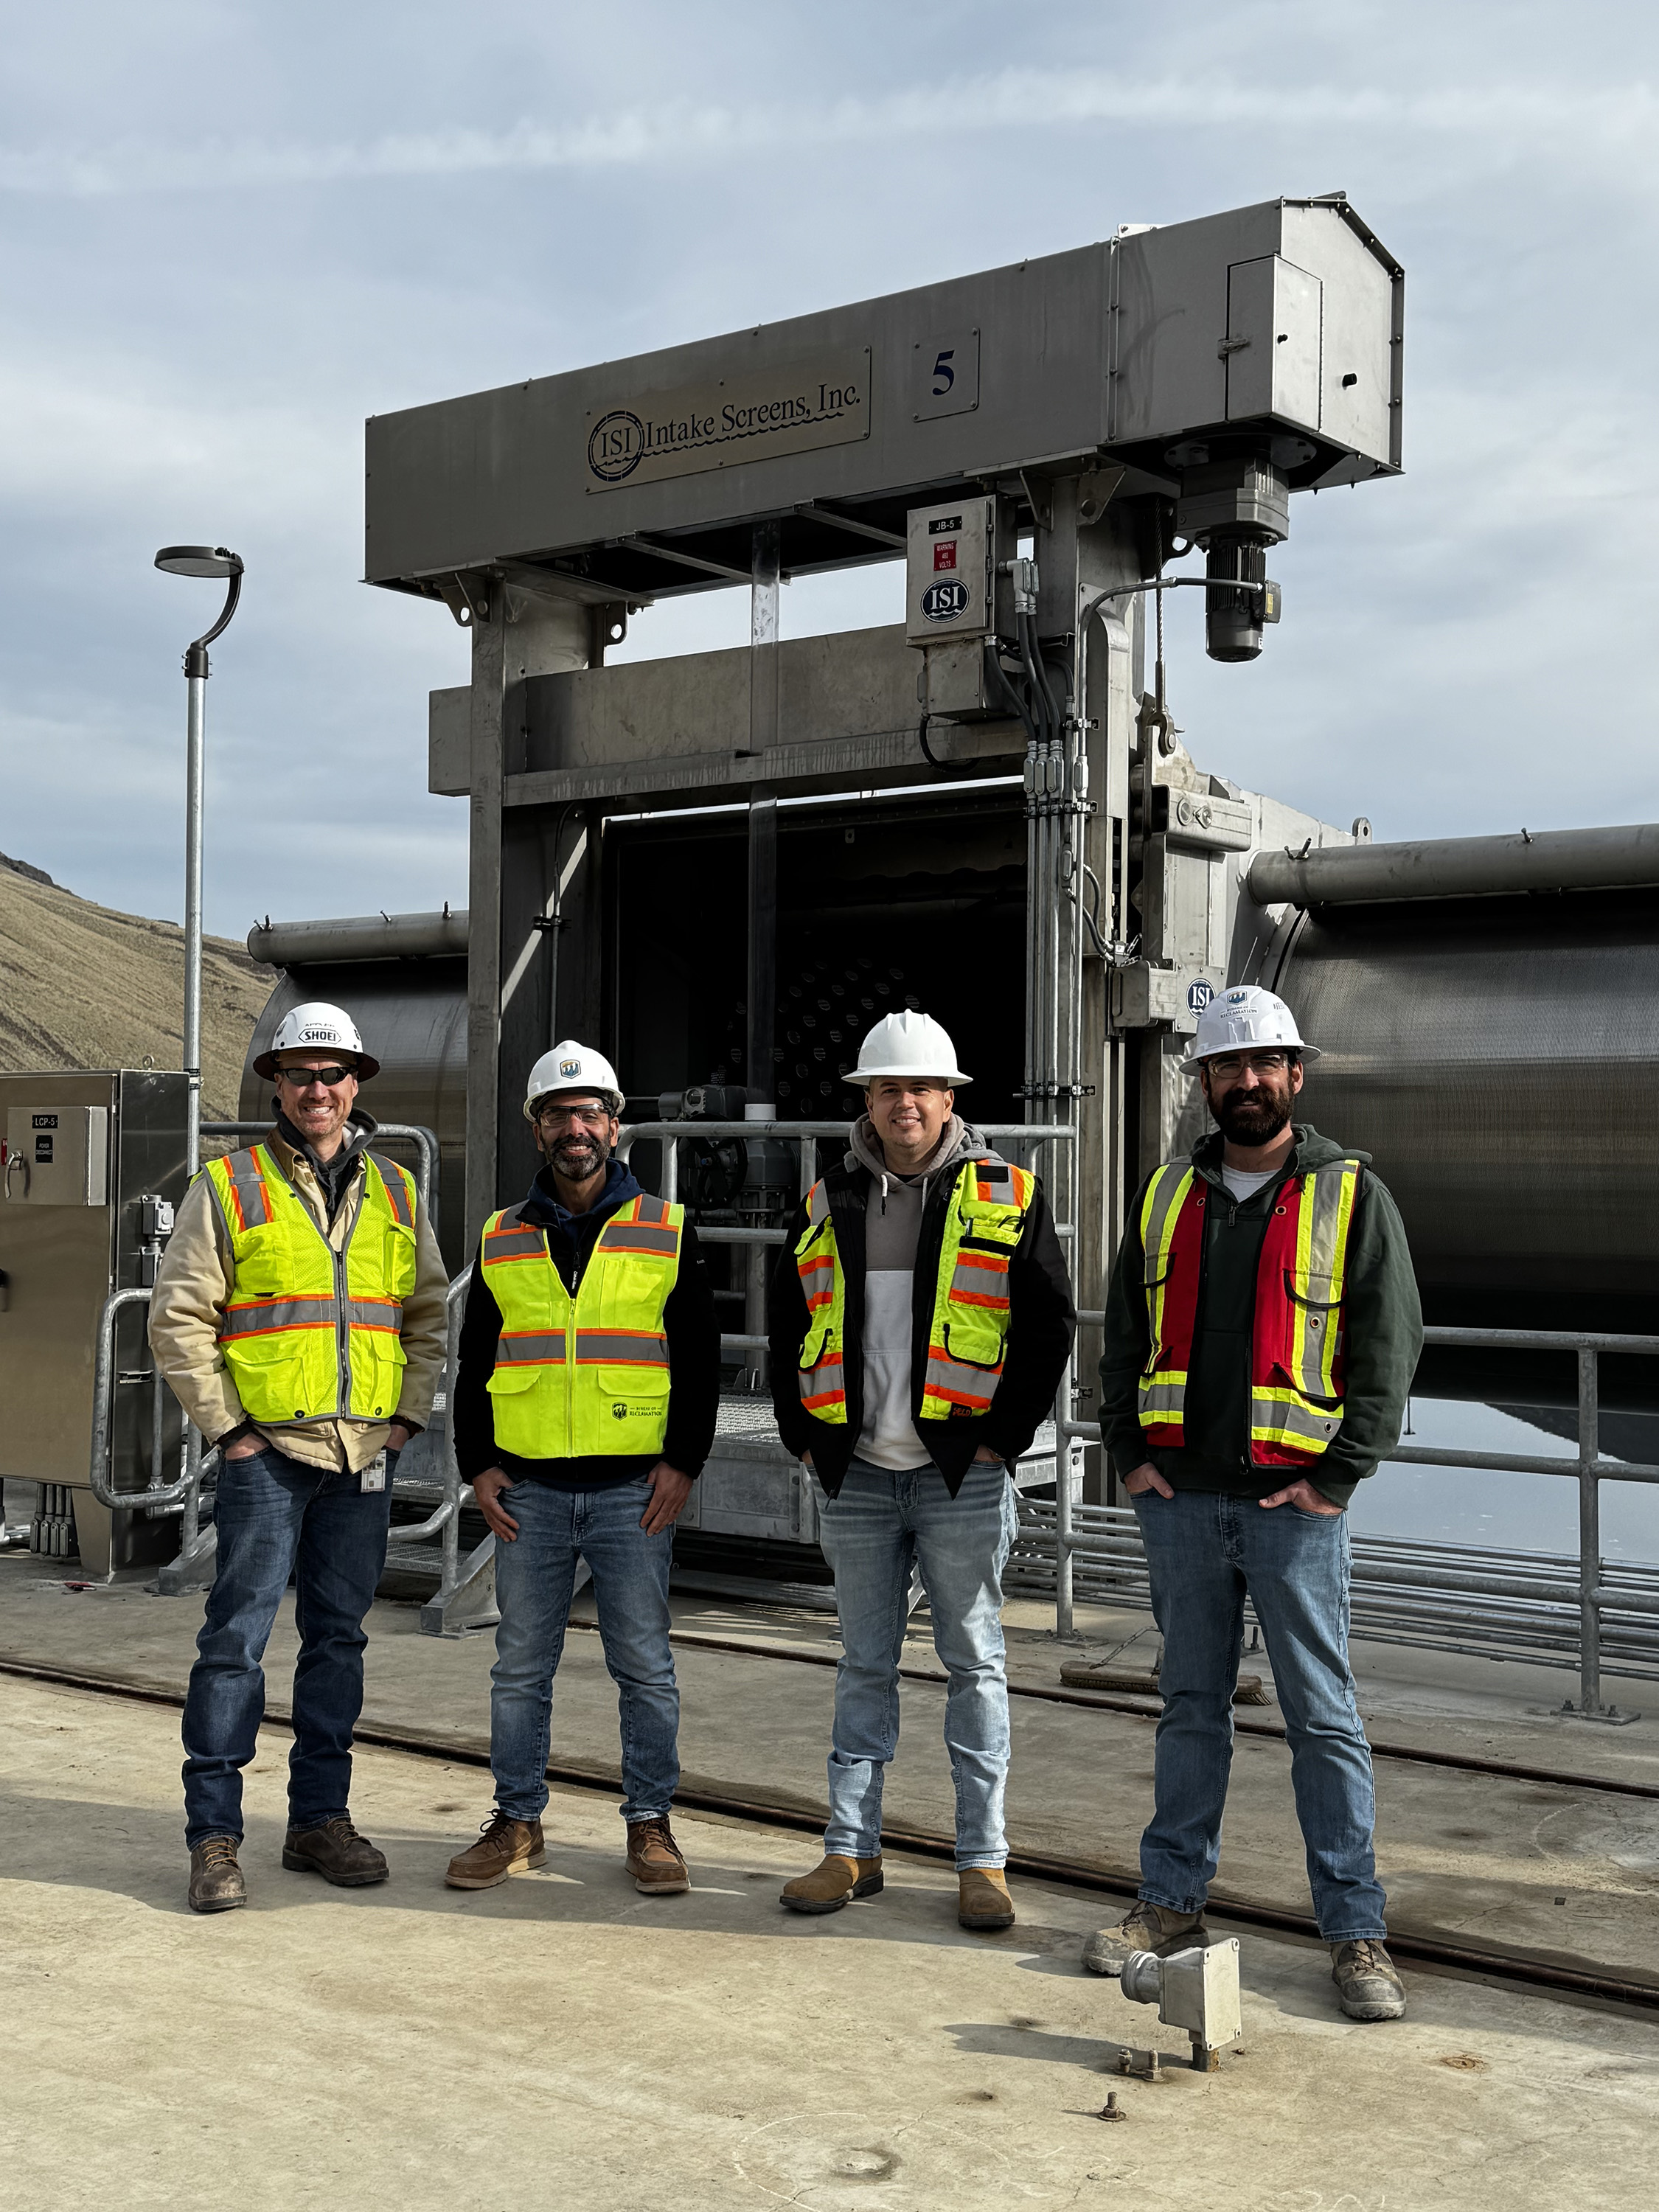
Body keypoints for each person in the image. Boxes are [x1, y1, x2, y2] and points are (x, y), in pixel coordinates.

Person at [1085, 984, 1422, 2021]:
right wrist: (1128, 1451)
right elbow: (1124, 1344)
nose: (1245, 1082)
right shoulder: (1163, 1196)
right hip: (1180, 1502)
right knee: (1189, 1708)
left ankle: (1354, 1932)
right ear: (1202, 1083)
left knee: (1323, 1719)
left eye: (1263, 1064)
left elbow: (1387, 1342)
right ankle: (1169, 1901)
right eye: (1226, 1067)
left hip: (1291, 1512)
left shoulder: (1349, 1193)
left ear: (1294, 1076)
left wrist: (1337, 1475)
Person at [768, 1010, 1075, 1930]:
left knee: (975, 1663)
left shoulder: (1008, 1192)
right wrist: (804, 1435)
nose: (906, 1103)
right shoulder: (827, 1200)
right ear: (868, 1098)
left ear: (950, 1100)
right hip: (858, 1473)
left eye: (923, 1088)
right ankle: (850, 1851)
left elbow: (1050, 1324)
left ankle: (983, 1861)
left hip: (959, 1476)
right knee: (863, 1665)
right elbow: (790, 1329)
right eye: (889, 1088)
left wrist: (1002, 1437)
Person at [150, 1001, 449, 1913]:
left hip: (362, 1455)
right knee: (235, 1644)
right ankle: (216, 1838)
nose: (317, 1090)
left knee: (339, 1642)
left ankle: (320, 1820)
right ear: (276, 1085)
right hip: (268, 1457)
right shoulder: (230, 1185)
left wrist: (404, 1419)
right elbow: (179, 1316)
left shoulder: (398, 1191)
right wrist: (229, 1431)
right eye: (299, 1075)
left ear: (357, 1084)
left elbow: (428, 1313)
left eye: (333, 1075)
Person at [444, 1041, 718, 1899]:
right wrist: (478, 1465)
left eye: (592, 1112)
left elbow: (702, 1360)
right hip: (526, 1490)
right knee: (521, 1666)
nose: (577, 1128)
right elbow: (476, 1361)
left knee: (644, 1666)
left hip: (632, 1491)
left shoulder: (666, 1228)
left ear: (616, 1123)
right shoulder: (501, 1235)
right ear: (536, 1130)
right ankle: (518, 1821)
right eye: (560, 1115)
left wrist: (683, 1462)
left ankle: (649, 1824)